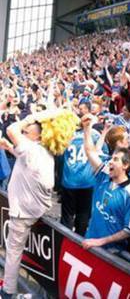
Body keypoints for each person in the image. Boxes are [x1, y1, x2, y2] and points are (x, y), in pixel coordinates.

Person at [2, 108, 71, 296]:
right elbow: (26, 162)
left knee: (13, 254)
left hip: (23, 213)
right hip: (32, 211)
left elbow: (11, 129)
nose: (23, 132)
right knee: (16, 253)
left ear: (38, 137)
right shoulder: (41, 152)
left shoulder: (34, 149)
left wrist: (32, 117)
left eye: (27, 131)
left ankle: (7, 292)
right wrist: (9, 148)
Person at [79, 115, 130, 251]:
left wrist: (102, 241)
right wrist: (87, 128)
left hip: (111, 252)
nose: (110, 162)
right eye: (111, 158)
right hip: (90, 242)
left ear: (126, 165)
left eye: (116, 160)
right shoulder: (104, 175)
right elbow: (89, 151)